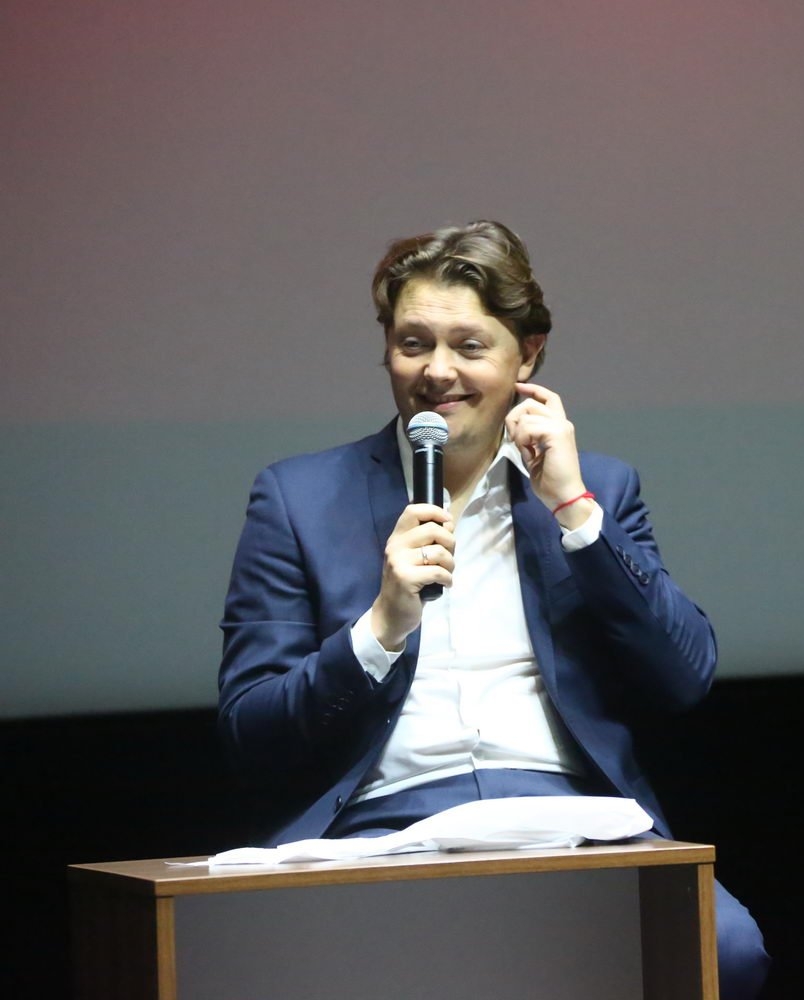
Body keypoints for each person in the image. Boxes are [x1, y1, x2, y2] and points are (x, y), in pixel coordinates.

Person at [218, 220, 769, 997]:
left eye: (470, 346)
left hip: (565, 814)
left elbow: (685, 676)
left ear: (528, 355)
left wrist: (575, 512)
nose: (436, 372)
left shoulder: (599, 487)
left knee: (728, 950)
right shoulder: (298, 498)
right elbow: (251, 731)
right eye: (413, 344)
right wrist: (380, 629)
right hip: (379, 825)